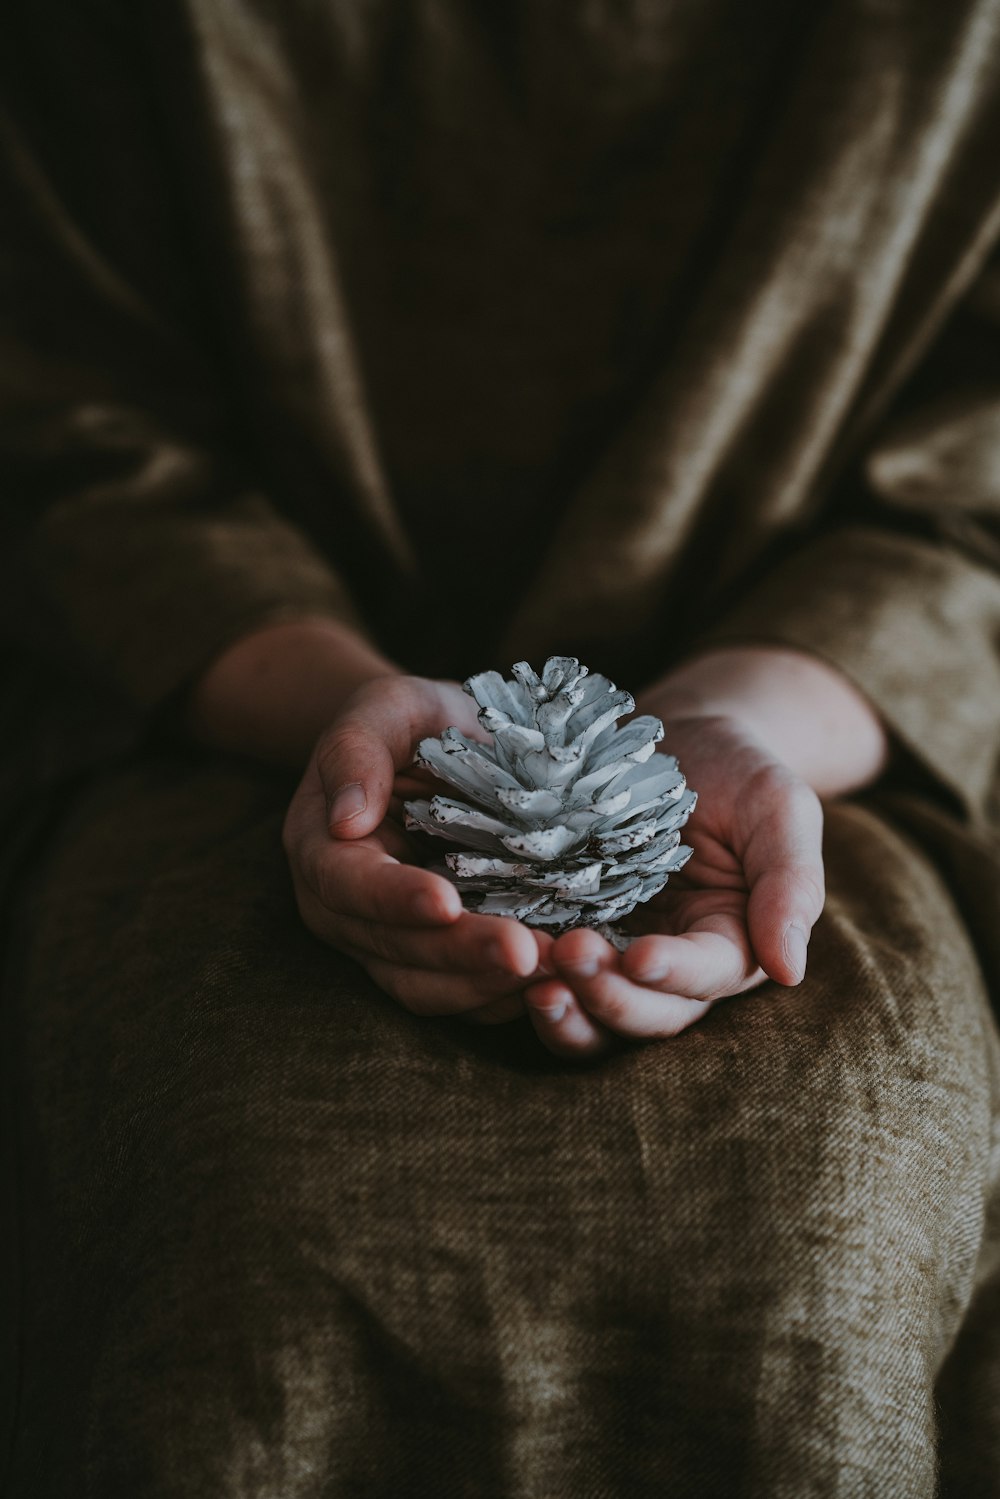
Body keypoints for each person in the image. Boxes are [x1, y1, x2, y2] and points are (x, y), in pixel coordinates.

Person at [3, 2, 1000, 1494]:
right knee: (259, 1214)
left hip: (818, 725)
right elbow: (66, 418)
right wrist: (338, 700)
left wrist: (747, 725)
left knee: (819, 1214)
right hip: (225, 717)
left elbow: (972, 472)